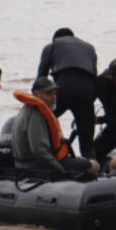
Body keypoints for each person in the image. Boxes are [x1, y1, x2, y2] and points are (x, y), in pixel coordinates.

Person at [10, 77, 99, 177]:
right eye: (48, 94)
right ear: (36, 94)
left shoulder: (29, 110)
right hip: (33, 168)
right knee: (93, 165)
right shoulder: (35, 115)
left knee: (82, 160)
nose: (53, 98)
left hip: (36, 164)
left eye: (55, 93)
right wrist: (61, 171)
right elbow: (40, 152)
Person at [37, 28, 98, 158]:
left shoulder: (52, 46)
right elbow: (94, 78)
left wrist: (38, 104)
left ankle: (47, 156)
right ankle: (92, 169)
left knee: (44, 121)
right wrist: (86, 111)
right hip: (86, 90)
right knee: (87, 143)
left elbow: (41, 78)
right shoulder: (89, 48)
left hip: (63, 86)